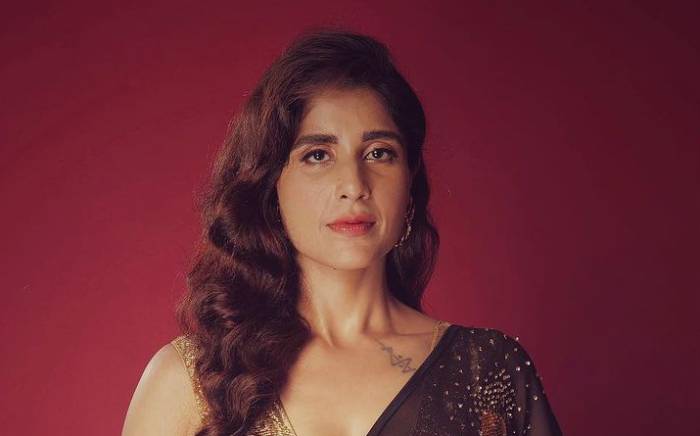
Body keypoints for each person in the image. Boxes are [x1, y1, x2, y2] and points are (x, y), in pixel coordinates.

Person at [122, 28, 562, 436]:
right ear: (271, 187)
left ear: (409, 182)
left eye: (379, 153)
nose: (354, 185)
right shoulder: (193, 379)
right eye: (317, 155)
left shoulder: (485, 371)